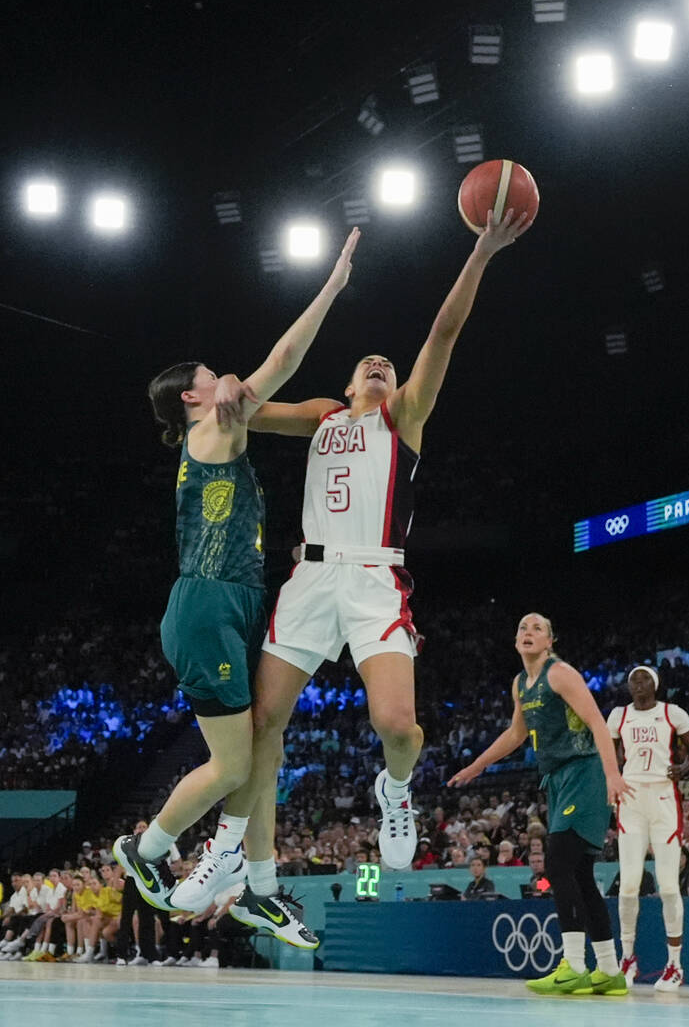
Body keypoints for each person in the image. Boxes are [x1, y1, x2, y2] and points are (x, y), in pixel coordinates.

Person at [203, 208, 532, 936]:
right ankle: (244, 863)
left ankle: (397, 786)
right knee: (261, 725)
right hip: (311, 582)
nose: (380, 365)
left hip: (377, 580)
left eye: (386, 364)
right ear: (351, 382)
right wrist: (230, 386)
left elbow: (443, 333)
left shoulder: (404, 416)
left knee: (398, 725)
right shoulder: (323, 415)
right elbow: (251, 410)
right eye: (368, 364)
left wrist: (480, 253)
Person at [113, 230, 360, 950]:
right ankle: (148, 849)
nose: (227, 376)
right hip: (208, 606)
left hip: (239, 599)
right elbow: (283, 361)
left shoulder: (221, 430)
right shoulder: (213, 426)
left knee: (264, 748)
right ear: (192, 395)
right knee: (234, 763)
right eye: (212, 372)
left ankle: (258, 886)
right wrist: (334, 286)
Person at [448, 612, 633, 997]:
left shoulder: (560, 673)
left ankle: (574, 966)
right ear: (516, 642)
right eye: (522, 628)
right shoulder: (521, 684)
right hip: (559, 780)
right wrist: (477, 765)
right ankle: (610, 971)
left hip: (585, 772)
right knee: (581, 874)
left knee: (557, 863)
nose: (528, 633)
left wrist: (613, 776)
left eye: (537, 628)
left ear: (550, 641)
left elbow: (599, 724)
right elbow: (517, 732)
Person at [606, 665, 689, 991]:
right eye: (633, 679)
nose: (638, 683)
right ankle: (627, 958)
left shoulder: (673, 713)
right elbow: (610, 754)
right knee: (628, 884)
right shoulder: (618, 716)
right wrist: (612, 777)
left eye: (644, 678)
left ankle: (674, 964)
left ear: (655, 685)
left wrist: (684, 767)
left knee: (669, 886)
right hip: (630, 800)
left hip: (662, 798)